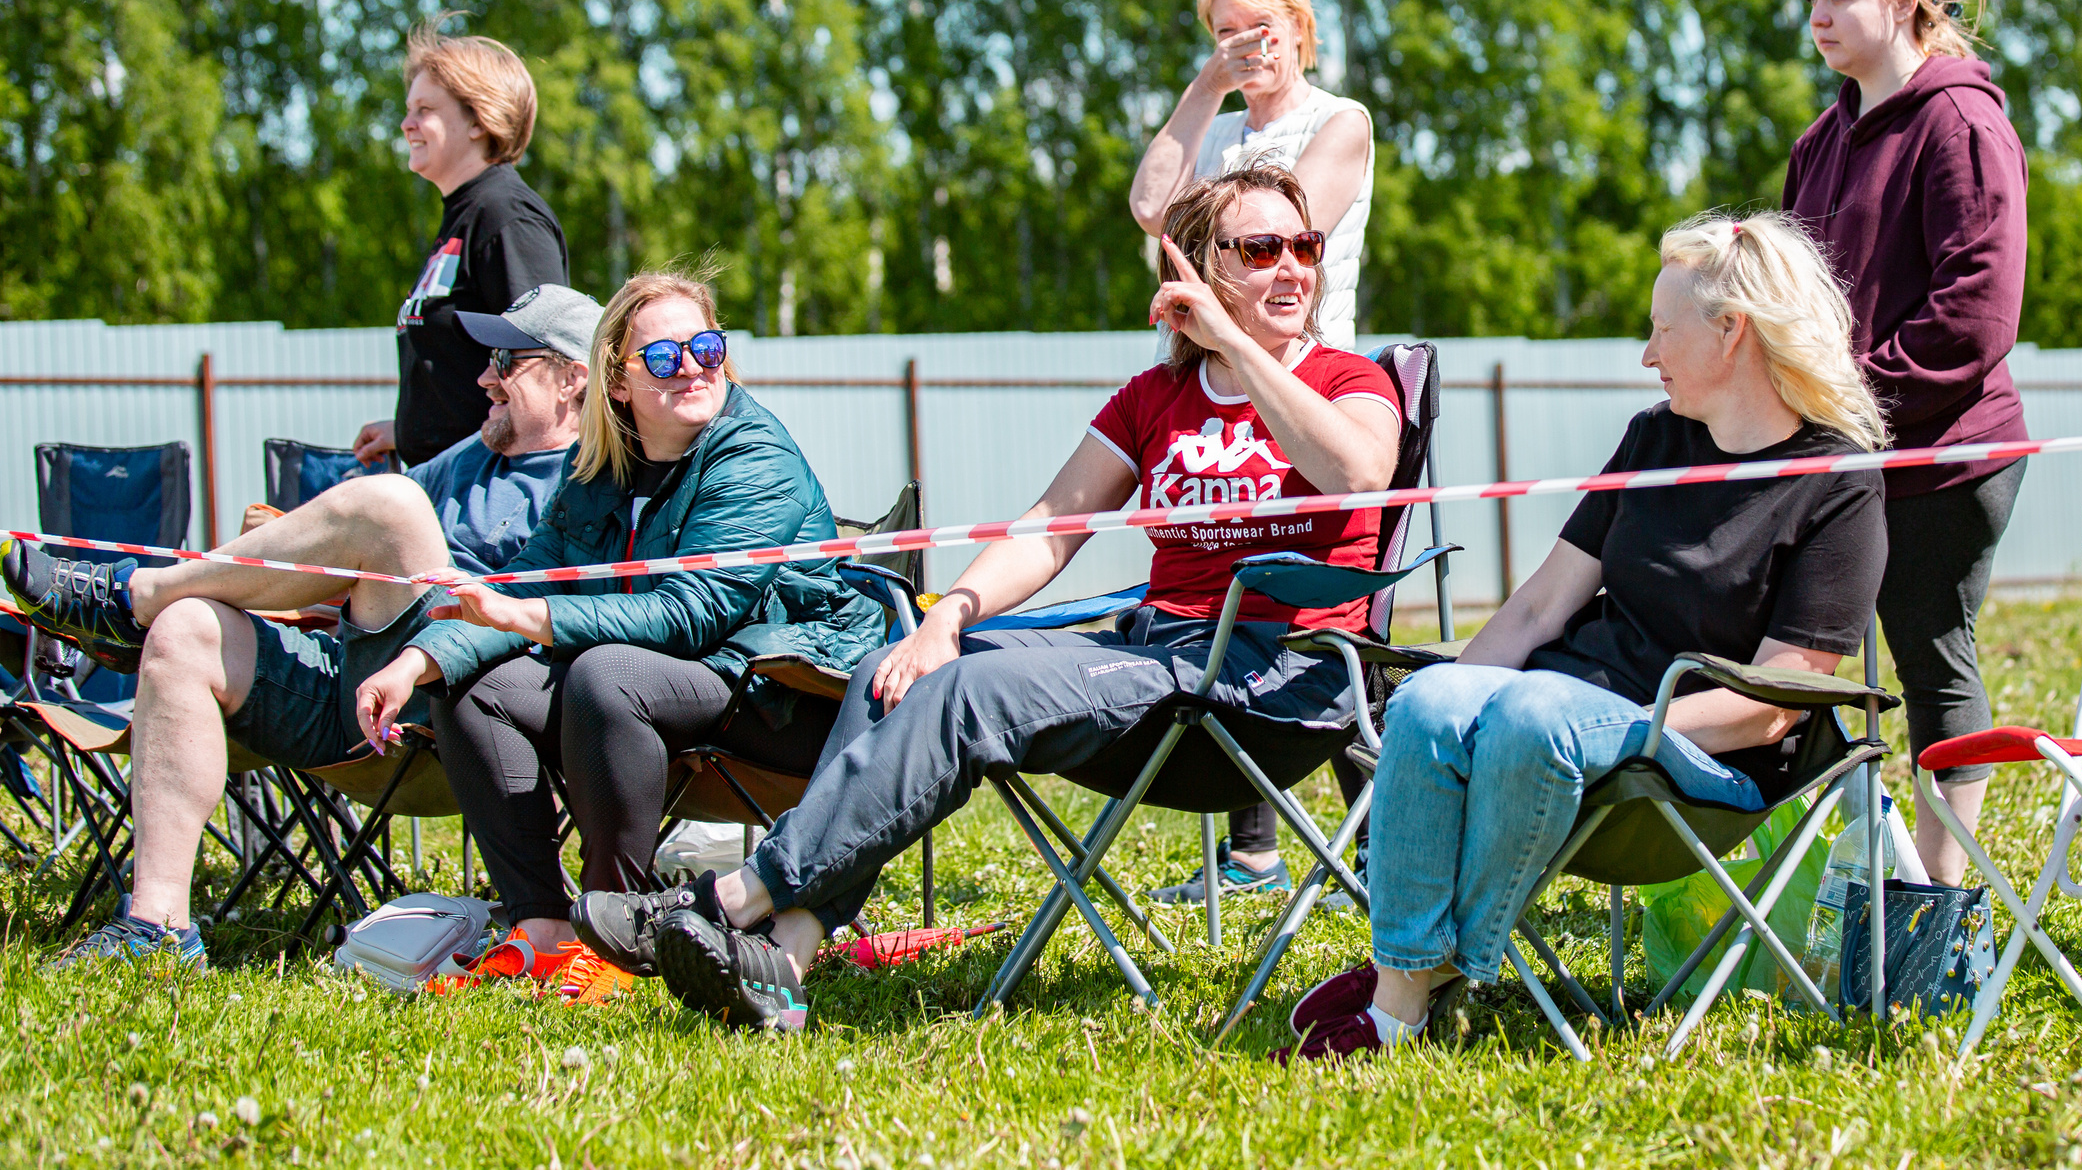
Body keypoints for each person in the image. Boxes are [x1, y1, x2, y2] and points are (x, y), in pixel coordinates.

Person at [562, 165, 1402, 1032]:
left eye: (1303, 245)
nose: (1293, 267)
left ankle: (723, 897)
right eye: (1261, 248)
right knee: (901, 668)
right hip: (1162, 660)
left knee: (967, 691)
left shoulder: (1352, 380)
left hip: (1271, 686)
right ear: (1195, 266)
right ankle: (785, 958)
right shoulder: (1156, 399)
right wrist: (949, 614)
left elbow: (1359, 470)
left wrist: (1238, 343)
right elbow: (1049, 525)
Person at [1282, 211, 1888, 1060]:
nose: (1647, 353)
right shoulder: (1653, 438)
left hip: (1699, 746)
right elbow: (1539, 609)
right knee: (1429, 699)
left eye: (1660, 330)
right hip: (1565, 698)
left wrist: (1614, 722)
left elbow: (1774, 703)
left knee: (1533, 713)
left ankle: (1409, 991)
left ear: (1731, 331)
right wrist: (1457, 700)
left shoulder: (1840, 483)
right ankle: (1403, 991)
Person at [6, 283, 599, 967]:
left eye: (505, 358)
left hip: (460, 709)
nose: (482, 376)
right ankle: (157, 925)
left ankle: (131, 596)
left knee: (392, 504)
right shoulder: (467, 460)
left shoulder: (594, 484)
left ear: (570, 377)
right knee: (188, 628)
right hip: (352, 689)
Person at [350, 268, 891, 1003]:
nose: (694, 367)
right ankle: (545, 929)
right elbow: (532, 576)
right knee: (474, 688)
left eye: (706, 346)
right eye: (664, 357)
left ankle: (617, 936)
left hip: (785, 692)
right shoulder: (605, 460)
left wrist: (532, 619)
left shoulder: (756, 454)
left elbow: (691, 613)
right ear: (617, 381)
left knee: (604, 673)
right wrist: (416, 662)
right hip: (658, 692)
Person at [1127, 0, 1378, 905]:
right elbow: (1154, 208)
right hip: (1213, 379)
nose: (1244, 49)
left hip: (1314, 386)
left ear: (1300, 28)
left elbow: (1285, 223)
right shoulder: (1219, 132)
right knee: (1222, 582)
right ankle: (1256, 851)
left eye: (1257, 30)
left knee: (1324, 612)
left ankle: (1382, 828)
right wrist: (1203, 90)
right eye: (1224, 34)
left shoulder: (1339, 120)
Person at [1782, 0, 2029, 884]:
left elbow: (1976, 312)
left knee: (1930, 658)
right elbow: (1793, 294)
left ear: (1903, 1)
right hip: (1846, 454)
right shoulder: (1819, 140)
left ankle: (1934, 891)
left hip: (1947, 455)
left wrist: (1856, 400)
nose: (1819, 18)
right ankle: (1836, 873)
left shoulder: (1961, 119)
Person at [354, 17, 568, 469]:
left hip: (486, 501)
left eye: (424, 110)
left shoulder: (507, 217)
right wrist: (407, 433)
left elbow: (546, 376)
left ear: (477, 119)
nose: (405, 123)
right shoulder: (464, 215)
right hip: (444, 480)